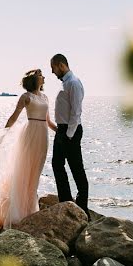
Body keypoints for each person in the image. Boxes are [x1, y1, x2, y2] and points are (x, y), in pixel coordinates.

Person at [0, 68, 58, 229]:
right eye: (40, 75)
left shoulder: (45, 97)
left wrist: (60, 132)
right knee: (23, 172)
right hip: (30, 134)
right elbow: (14, 116)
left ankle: (30, 210)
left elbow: (48, 121)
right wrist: (3, 134)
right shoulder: (26, 97)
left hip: (43, 136)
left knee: (35, 173)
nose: (44, 77)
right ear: (34, 79)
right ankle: (17, 214)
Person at [50, 53, 89, 217]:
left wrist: (69, 134)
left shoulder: (73, 83)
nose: (52, 72)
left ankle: (82, 207)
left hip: (69, 131)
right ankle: (65, 200)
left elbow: (76, 112)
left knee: (76, 169)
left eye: (53, 68)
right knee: (57, 164)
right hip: (62, 130)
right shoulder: (65, 83)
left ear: (60, 65)